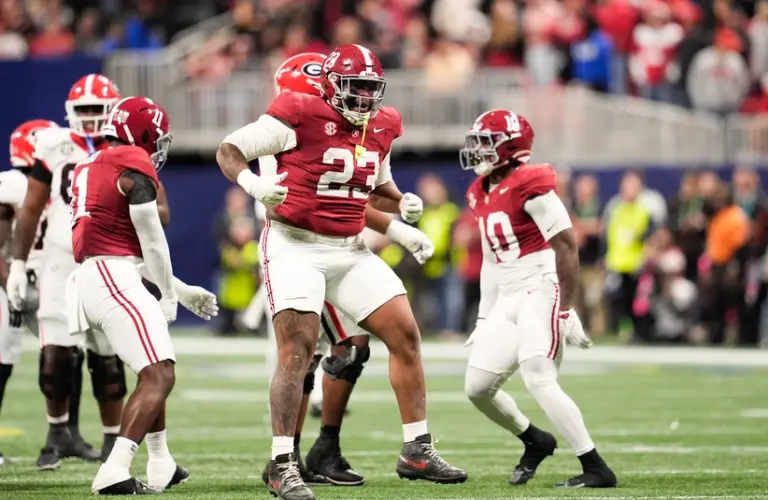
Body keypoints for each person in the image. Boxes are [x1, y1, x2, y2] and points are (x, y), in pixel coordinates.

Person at [217, 44, 467, 500]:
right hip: (294, 246)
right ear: (330, 87)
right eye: (355, 89)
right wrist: (252, 183)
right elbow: (230, 149)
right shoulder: (296, 112)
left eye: (371, 90)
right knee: (298, 349)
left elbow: (373, 182)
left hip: (349, 249)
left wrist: (399, 203)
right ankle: (281, 463)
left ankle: (417, 449)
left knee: (404, 333)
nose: (364, 99)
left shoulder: (383, 123)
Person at [68, 96, 218, 494]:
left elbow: (126, 245)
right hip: (113, 277)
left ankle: (160, 461)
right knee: (160, 373)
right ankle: (114, 469)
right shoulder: (133, 159)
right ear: (145, 132)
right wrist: (168, 295)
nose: (158, 147)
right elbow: (151, 239)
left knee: (150, 367)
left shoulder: (89, 163)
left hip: (94, 276)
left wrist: (180, 291)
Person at [460, 109, 617, 488]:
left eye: (486, 143)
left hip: (540, 285)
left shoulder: (531, 182)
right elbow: (490, 261)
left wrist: (565, 308)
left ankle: (595, 467)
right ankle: (534, 440)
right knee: (477, 388)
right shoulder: (478, 192)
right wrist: (483, 317)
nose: (477, 150)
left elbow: (567, 246)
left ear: (510, 147)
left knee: (539, 378)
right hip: (508, 293)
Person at [6, 74, 128, 470]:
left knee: (108, 357)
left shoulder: (127, 146)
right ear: (69, 114)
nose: (91, 119)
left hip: (106, 259)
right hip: (60, 263)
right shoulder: (53, 145)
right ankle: (58, 432)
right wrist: (18, 265)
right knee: (55, 356)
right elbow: (29, 208)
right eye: (84, 111)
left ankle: (113, 440)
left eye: (98, 110)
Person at [0, 119, 60, 466]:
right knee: (3, 360)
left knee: (58, 354)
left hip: (41, 279)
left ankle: (63, 434)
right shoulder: (13, 183)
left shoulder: (51, 182)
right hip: (13, 280)